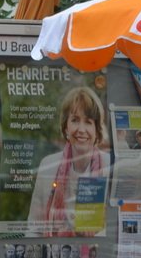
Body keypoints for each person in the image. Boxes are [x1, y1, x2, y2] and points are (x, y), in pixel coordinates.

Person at [27, 86, 111, 237]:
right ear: (66, 127)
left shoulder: (111, 165)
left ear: (97, 129)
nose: (81, 129)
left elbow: (114, 231)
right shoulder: (48, 165)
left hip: (96, 257)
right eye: (75, 120)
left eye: (88, 122)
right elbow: (33, 229)